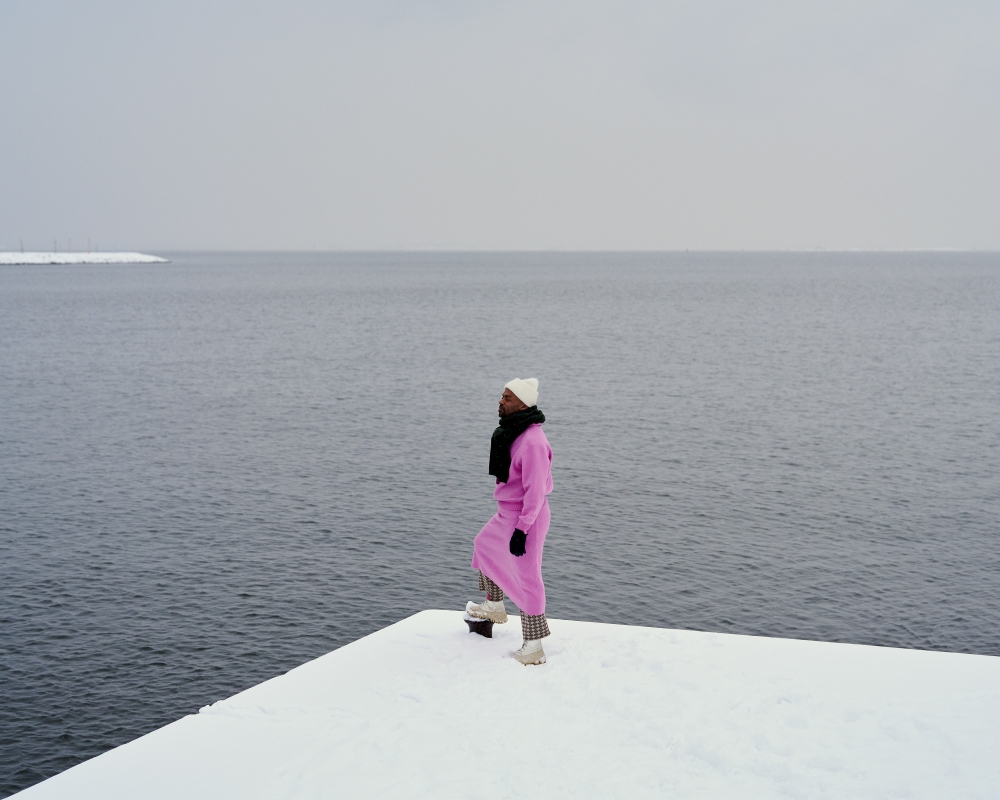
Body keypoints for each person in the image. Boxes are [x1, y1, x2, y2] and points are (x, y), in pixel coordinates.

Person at [467, 377, 553, 665]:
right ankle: (494, 605)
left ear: (523, 405)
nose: (500, 401)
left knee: (528, 578)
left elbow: (535, 493)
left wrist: (522, 530)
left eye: (507, 398)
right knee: (484, 545)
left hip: (528, 516)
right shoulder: (514, 432)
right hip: (507, 511)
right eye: (502, 396)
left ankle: (534, 646)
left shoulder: (533, 442)